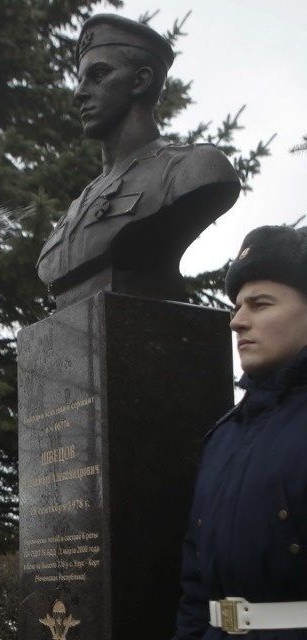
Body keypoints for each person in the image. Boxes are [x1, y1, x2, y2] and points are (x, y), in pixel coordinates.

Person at [36, 14, 241, 309]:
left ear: (141, 81)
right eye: (80, 79)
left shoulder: (192, 170)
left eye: (98, 75)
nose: (79, 92)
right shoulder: (74, 211)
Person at [175, 225, 307, 638]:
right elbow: (196, 588)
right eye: (236, 306)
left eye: (260, 304)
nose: (237, 321)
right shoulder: (222, 439)